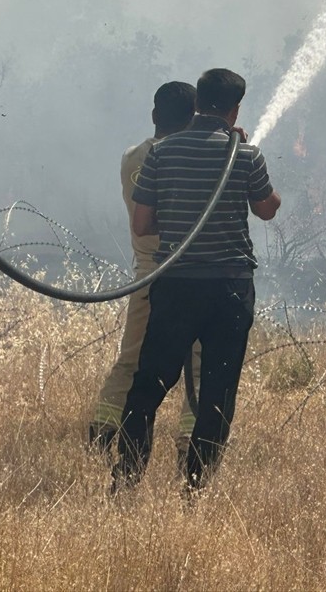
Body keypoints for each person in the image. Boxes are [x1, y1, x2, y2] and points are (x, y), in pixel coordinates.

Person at [113, 68, 281, 495]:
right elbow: (267, 209)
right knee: (217, 392)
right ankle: (194, 486)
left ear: (198, 104)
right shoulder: (245, 155)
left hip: (176, 287)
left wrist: (179, 217)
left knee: (149, 383)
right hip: (229, 290)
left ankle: (126, 478)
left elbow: (142, 223)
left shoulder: (161, 154)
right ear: (234, 109)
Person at [89, 81, 201, 458]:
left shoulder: (131, 157)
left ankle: (103, 429)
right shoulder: (184, 158)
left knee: (132, 357)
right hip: (188, 275)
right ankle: (191, 442)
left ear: (155, 116)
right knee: (197, 363)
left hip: (146, 275)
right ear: (194, 118)